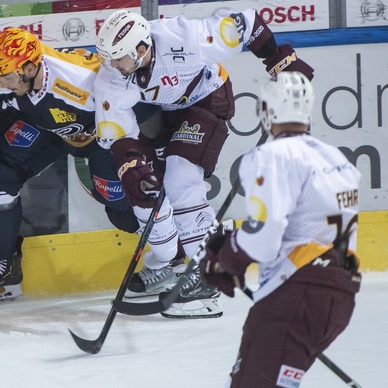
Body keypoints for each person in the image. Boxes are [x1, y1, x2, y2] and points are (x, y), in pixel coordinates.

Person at [0, 27, 159, 304]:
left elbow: (142, 102)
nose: (2, 83)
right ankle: (5, 268)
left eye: (8, 78)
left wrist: (159, 142)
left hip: (100, 138)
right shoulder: (3, 69)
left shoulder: (81, 81)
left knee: (122, 207)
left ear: (31, 68)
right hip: (47, 128)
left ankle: (170, 257)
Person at [94, 9, 314, 317]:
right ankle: (173, 264)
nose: (110, 65)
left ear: (140, 50)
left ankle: (207, 277)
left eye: (117, 58)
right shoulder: (113, 73)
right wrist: (131, 166)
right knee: (153, 185)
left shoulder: (184, 37)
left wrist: (279, 61)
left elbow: (246, 22)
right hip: (164, 110)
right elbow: (117, 129)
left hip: (208, 98)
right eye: (107, 57)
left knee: (181, 178)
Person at [201, 72, 362, 386]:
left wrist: (227, 256)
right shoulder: (337, 158)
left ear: (266, 110)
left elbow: (264, 238)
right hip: (339, 297)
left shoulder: (271, 157)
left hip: (295, 296)